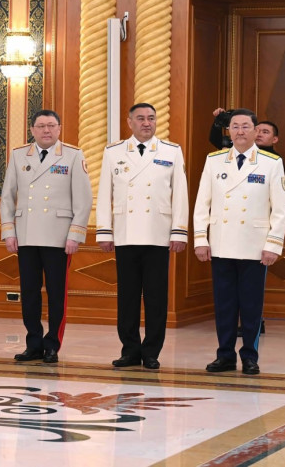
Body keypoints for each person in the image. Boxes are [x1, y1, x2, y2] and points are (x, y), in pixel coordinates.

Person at [193, 109, 285, 375]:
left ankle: (249, 356)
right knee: (224, 304)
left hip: (255, 246)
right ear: (229, 131)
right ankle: (224, 355)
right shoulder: (214, 160)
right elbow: (202, 204)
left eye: (246, 126)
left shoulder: (270, 163)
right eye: (235, 126)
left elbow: (280, 210)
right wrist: (200, 238)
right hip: (222, 243)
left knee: (251, 305)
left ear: (255, 131)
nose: (240, 131)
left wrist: (273, 245)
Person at [96, 103, 188, 370]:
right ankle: (129, 350)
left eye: (151, 118)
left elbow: (180, 194)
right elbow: (105, 193)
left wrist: (179, 230)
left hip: (158, 233)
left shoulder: (171, 151)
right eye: (140, 118)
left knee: (156, 297)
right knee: (127, 297)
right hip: (125, 233)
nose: (147, 123)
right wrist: (104, 230)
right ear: (130, 122)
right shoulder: (113, 152)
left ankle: (151, 352)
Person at [0, 110, 92, 364]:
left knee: (56, 293)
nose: (46, 130)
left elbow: (83, 199)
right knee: (29, 292)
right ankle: (33, 343)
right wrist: (9, 231)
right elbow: (7, 196)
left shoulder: (73, 155)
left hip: (59, 236)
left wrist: (75, 234)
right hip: (26, 234)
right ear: (32, 130)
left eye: (51, 125)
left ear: (59, 129)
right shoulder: (19, 155)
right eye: (41, 126)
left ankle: (52, 344)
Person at [211, 108, 280, 156]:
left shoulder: (274, 159)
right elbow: (216, 140)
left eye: (265, 132)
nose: (259, 134)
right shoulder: (240, 146)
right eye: (257, 131)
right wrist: (218, 121)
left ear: (274, 139)